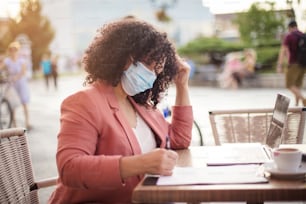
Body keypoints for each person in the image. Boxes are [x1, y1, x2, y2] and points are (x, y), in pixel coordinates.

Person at [48, 18, 193, 204]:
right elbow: (70, 168)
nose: (154, 75)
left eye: (158, 69)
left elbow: (179, 140)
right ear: (125, 58)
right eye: (150, 65)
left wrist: (182, 86)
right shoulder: (84, 102)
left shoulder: (140, 104)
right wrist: (141, 163)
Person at [0, 41, 32, 130]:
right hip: (12, 84)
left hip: (21, 83)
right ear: (9, 51)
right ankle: (15, 125)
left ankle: (27, 122)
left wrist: (16, 77)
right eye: (11, 50)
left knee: (24, 103)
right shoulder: (7, 60)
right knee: (13, 104)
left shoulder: (22, 60)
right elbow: (1, 67)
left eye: (15, 50)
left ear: (17, 51)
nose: (13, 52)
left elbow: (23, 72)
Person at [277, 20, 306, 106]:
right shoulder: (303, 35)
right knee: (297, 85)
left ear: (290, 27)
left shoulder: (289, 36)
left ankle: (304, 100)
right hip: (304, 64)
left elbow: (283, 51)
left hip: (293, 63)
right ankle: (296, 104)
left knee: (289, 85)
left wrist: (280, 65)